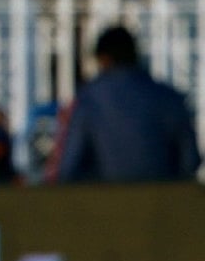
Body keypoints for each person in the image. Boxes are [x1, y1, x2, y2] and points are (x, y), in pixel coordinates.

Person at [53, 25, 201, 183]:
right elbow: (191, 159)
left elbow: (69, 165)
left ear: (103, 59)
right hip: (163, 200)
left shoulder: (89, 99)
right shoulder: (167, 97)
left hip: (105, 202)